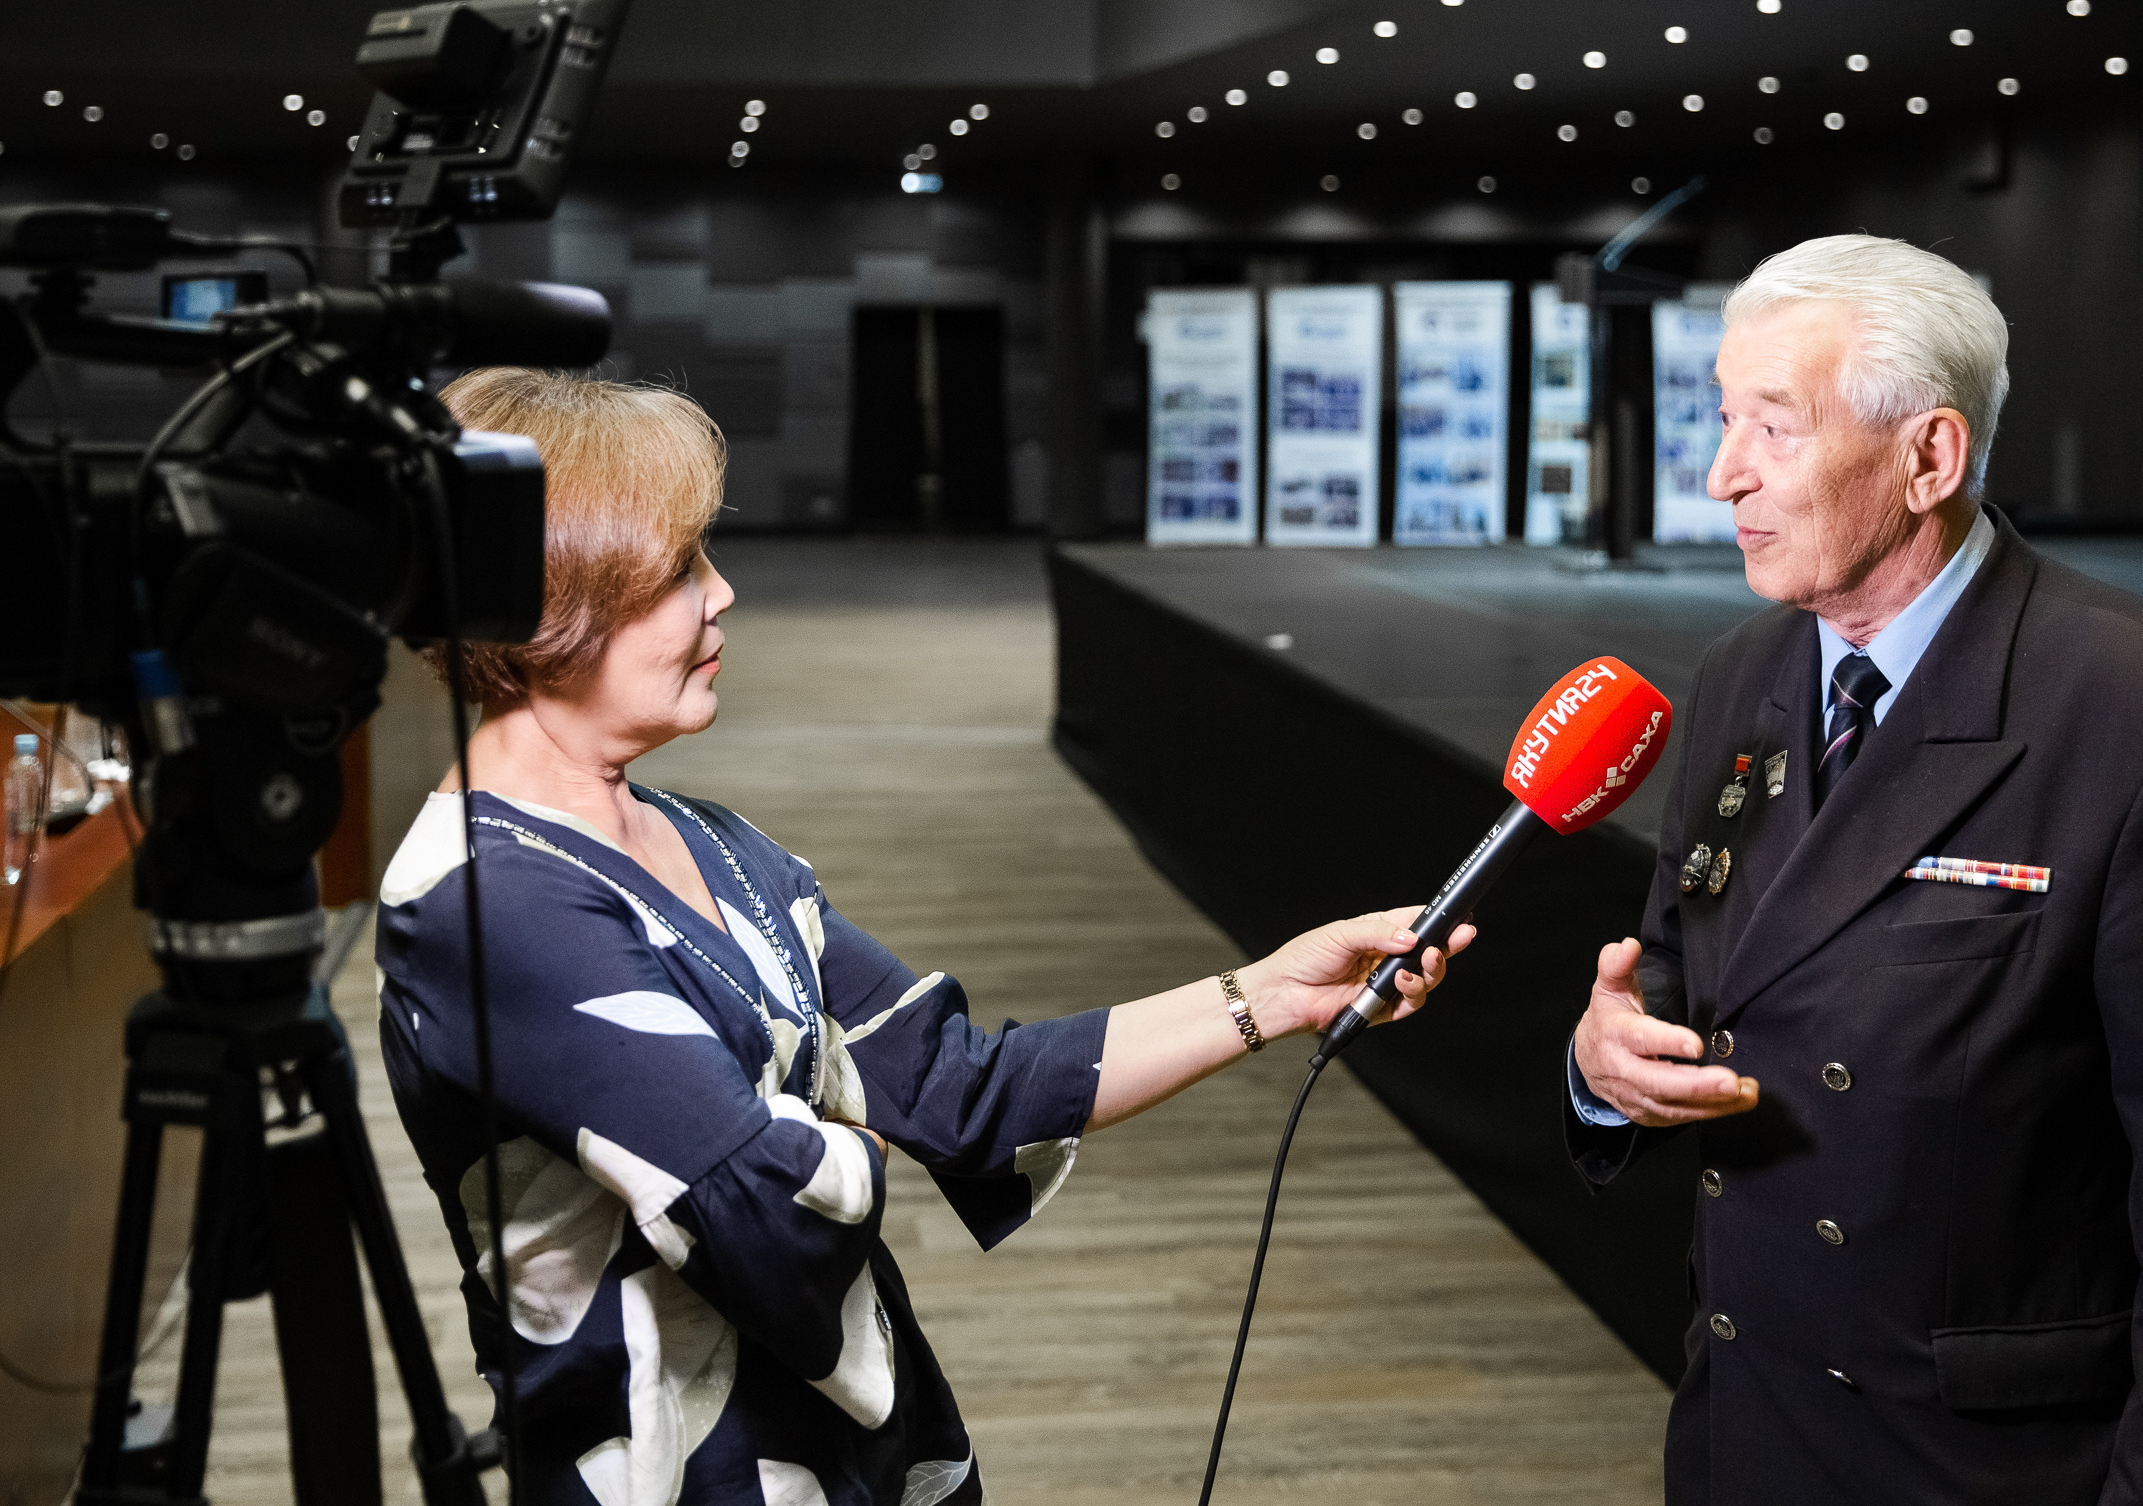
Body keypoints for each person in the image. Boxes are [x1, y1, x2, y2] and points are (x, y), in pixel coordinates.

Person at [375, 367, 1465, 1506]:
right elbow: (772, 1211)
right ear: (550, 602)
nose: (725, 592)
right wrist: (843, 1133)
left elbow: (952, 1084)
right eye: (676, 571)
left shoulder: (712, 838)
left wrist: (1268, 992)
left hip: (868, 1451)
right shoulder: (484, 898)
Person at [1563, 236, 2143, 1503]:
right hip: (1745, 1431)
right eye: (1723, 418)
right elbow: (1683, 985)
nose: (1719, 473)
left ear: (1929, 456)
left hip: (1986, 1464)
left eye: (1775, 427)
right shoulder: (1741, 675)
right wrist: (1602, 1070)